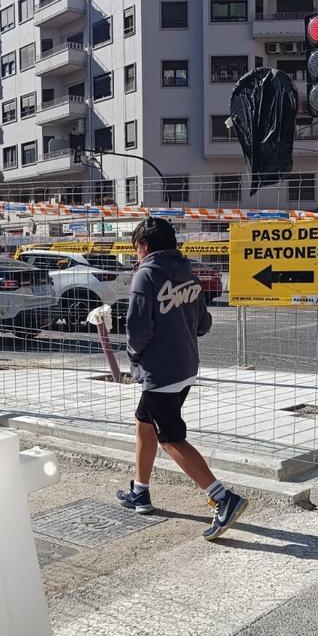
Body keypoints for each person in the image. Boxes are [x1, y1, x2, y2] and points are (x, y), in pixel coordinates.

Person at [116, 217, 250, 541]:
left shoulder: (144, 276)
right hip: (185, 366)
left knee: (170, 438)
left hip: (159, 372)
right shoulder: (188, 271)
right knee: (143, 423)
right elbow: (203, 323)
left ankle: (222, 498)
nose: (136, 255)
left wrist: (134, 356)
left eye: (136, 248)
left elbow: (136, 331)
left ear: (144, 246)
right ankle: (140, 491)